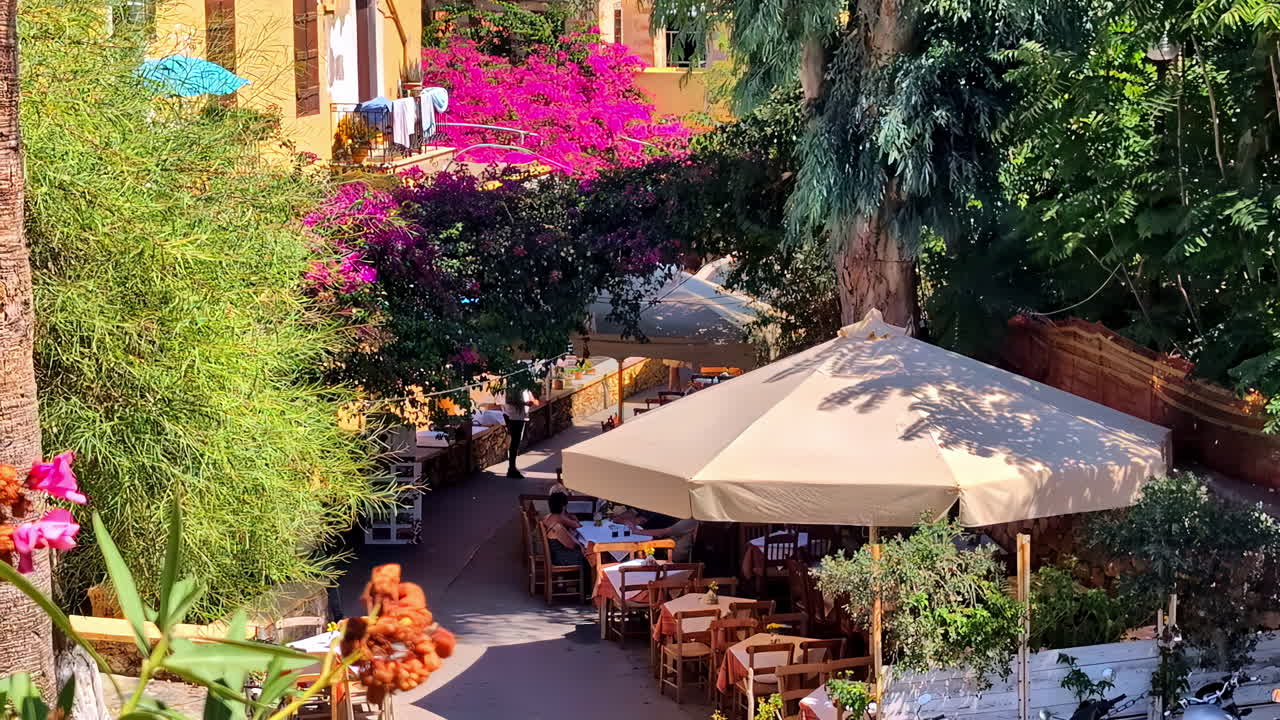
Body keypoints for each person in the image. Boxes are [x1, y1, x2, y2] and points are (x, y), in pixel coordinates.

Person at [542, 492, 591, 591]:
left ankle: (580, 587)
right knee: (589, 557)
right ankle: (585, 590)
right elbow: (573, 540)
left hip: (554, 554)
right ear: (564, 505)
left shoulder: (547, 517)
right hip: (561, 558)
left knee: (584, 551)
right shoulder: (559, 518)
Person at [626, 513, 699, 563]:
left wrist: (637, 531)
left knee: (639, 546)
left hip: (673, 555)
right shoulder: (695, 519)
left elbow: (662, 533)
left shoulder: (691, 520)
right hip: (671, 548)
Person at [502, 383, 539, 479]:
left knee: (517, 441)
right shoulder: (513, 386)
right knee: (515, 441)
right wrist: (525, 403)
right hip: (514, 416)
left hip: (520, 416)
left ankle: (512, 467)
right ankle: (512, 468)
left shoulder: (523, 385)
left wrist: (531, 401)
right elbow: (509, 400)